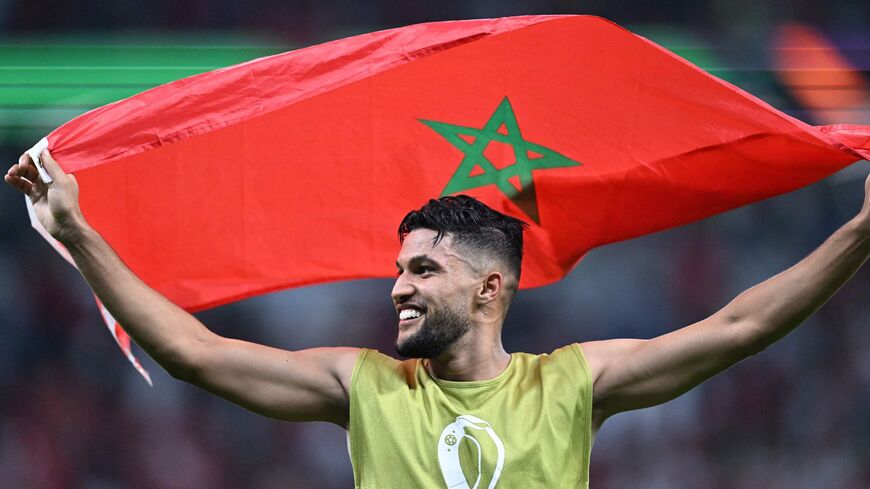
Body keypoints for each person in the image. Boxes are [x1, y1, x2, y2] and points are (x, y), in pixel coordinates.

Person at [5, 149, 870, 488]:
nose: (397, 288)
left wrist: (863, 230)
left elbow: (740, 327)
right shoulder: (365, 385)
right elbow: (191, 350)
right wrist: (78, 233)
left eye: (423, 269)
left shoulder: (572, 385)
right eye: (396, 270)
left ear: (491, 290)